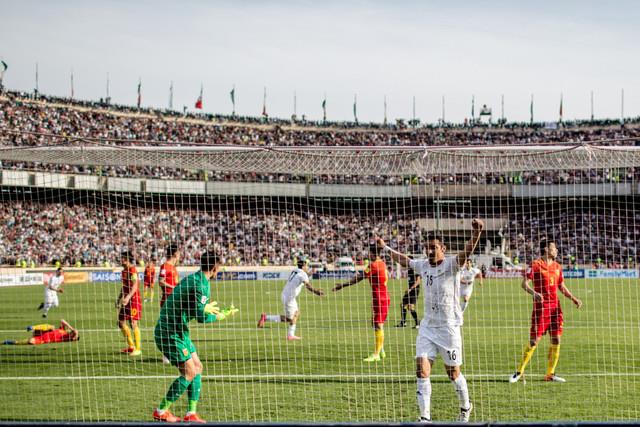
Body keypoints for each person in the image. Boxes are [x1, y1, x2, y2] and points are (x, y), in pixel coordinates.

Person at [378, 218, 484, 423]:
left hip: (449, 328)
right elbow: (403, 259)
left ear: (443, 248)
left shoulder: (453, 264)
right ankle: (425, 417)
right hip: (428, 328)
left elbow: (467, 251)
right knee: (421, 370)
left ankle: (465, 407)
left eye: (434, 247)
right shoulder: (423, 265)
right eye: (427, 248)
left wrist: (477, 233)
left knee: (453, 373)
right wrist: (385, 247)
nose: (430, 251)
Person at [152, 251, 238, 423]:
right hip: (170, 332)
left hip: (178, 330)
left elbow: (193, 309)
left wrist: (209, 311)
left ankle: (191, 413)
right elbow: (200, 315)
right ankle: (161, 410)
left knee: (197, 366)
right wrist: (219, 316)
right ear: (215, 268)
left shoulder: (194, 279)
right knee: (190, 372)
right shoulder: (201, 284)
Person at [509, 239, 582, 384]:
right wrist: (533, 293)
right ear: (546, 249)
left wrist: (573, 298)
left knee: (556, 339)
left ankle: (550, 374)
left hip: (555, 308)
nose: (556, 250)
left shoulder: (557, 266)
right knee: (534, 341)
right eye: (554, 248)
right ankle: (519, 371)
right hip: (541, 308)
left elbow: (561, 286)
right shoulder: (535, 265)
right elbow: (524, 284)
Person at [332, 244, 390, 362]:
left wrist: (341, 286)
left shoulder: (374, 265)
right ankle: (381, 350)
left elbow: (359, 278)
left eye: (369, 253)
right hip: (379, 297)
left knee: (378, 324)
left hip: (380, 298)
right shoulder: (382, 263)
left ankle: (376, 354)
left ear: (373, 254)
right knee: (375, 324)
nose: (367, 255)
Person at [257, 257, 324, 340]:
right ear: (303, 266)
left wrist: (310, 273)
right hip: (289, 297)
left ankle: (266, 318)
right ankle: (290, 335)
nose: (307, 267)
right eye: (307, 266)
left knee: (293, 315)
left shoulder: (296, 270)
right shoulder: (302, 274)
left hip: (287, 295)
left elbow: (303, 277)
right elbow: (308, 286)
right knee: (292, 317)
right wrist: (316, 292)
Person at [116, 250, 142, 357]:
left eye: (122, 258)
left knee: (133, 323)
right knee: (121, 322)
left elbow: (135, 285)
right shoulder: (124, 271)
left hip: (133, 300)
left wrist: (127, 297)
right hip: (126, 300)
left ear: (126, 259)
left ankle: (138, 348)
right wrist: (119, 299)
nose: (120, 260)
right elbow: (124, 286)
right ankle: (131, 346)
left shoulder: (132, 270)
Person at [3, 319, 79, 345]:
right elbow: (62, 320)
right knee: (51, 327)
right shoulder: (63, 330)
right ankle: (33, 327)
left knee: (30, 341)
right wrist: (71, 328)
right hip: (40, 331)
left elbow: (76, 332)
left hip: (42, 339)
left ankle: (6, 342)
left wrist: (73, 332)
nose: (73, 334)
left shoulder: (68, 338)